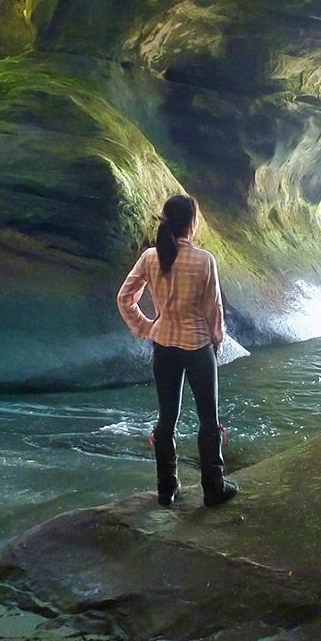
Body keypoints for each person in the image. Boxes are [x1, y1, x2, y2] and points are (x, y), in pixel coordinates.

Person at [116, 194, 238, 508]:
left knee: (167, 419)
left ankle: (166, 490)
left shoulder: (150, 257)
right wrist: (218, 339)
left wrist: (146, 327)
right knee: (208, 420)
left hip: (164, 345)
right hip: (198, 347)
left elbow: (124, 298)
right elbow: (214, 309)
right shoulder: (204, 260)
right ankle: (213, 487)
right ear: (192, 223)